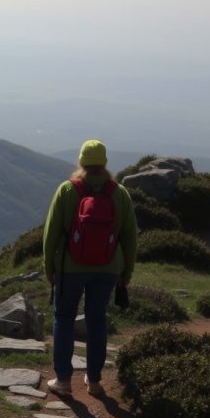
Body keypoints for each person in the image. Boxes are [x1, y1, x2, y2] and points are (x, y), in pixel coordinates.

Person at [42, 139, 137, 397]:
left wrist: (48, 266)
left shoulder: (67, 190)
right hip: (107, 268)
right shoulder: (119, 194)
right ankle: (94, 381)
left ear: (81, 162)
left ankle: (63, 381)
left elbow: (51, 233)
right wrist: (126, 272)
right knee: (96, 320)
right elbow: (130, 237)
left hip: (69, 267)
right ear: (104, 163)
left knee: (63, 318)